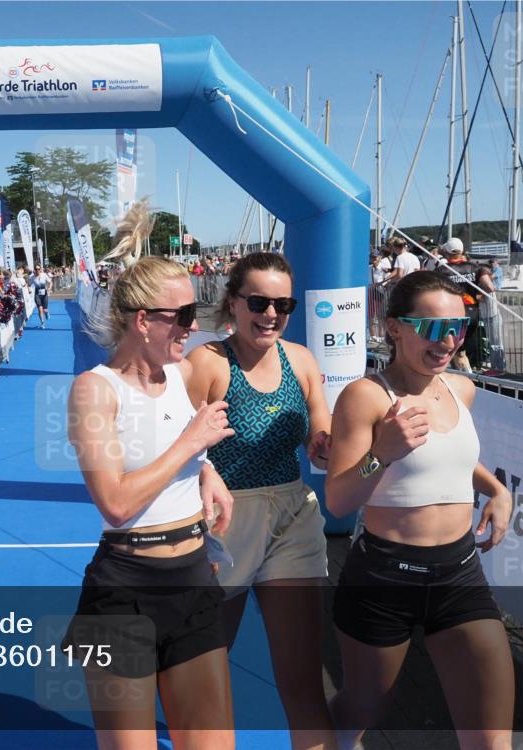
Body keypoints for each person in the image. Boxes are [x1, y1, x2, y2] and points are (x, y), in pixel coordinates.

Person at [67, 201, 235, 749]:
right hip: (125, 589)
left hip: (193, 576)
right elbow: (114, 503)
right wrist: (192, 445)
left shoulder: (184, 374)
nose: (194, 325)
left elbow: (184, 442)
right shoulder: (95, 390)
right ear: (144, 321)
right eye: (184, 316)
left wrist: (207, 469)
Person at [326, 270, 513, 750]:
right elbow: (340, 500)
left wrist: (497, 489)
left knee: (493, 739)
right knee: (356, 712)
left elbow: (453, 457)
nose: (448, 340)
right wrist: (381, 452)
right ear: (394, 329)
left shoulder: (460, 389)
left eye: (460, 327)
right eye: (432, 328)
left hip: (459, 574)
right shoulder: (366, 396)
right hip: (384, 578)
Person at [186, 251, 335, 750]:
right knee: (205, 672)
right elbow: (170, 442)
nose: (272, 313)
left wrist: (324, 441)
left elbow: (321, 423)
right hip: (222, 523)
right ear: (233, 303)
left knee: (302, 678)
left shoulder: (302, 360)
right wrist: (204, 469)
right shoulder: (207, 363)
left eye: (283, 302)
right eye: (259, 301)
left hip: (292, 515)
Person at [475, 265, 506, 372]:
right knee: (494, 343)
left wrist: (479, 295)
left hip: (492, 316)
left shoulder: (485, 286)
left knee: (496, 344)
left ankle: (498, 368)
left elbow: (490, 288)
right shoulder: (481, 285)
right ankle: (496, 367)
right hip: (488, 316)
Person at [31, 264, 52, 329]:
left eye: (39, 269)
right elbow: (28, 284)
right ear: (34, 270)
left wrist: (49, 288)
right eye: (36, 269)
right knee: (40, 310)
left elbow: (50, 282)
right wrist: (28, 288)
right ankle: (42, 323)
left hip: (44, 295)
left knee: (45, 310)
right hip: (37, 295)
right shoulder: (32, 277)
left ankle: (47, 312)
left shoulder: (44, 275)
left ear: (40, 269)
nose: (37, 270)